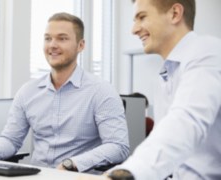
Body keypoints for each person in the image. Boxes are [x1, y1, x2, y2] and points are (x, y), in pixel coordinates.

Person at [0, 12, 129, 173]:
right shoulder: (28, 92)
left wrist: (72, 163)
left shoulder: (101, 91)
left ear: (81, 45)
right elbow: (11, 139)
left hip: (78, 177)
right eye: (48, 38)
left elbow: (118, 146)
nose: (52, 45)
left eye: (62, 38)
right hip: (37, 176)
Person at [78, 0, 221, 179]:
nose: (134, 29)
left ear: (175, 13)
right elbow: (162, 143)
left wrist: (125, 173)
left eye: (142, 17)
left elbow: (184, 124)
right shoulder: (165, 74)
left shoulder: (208, 51)